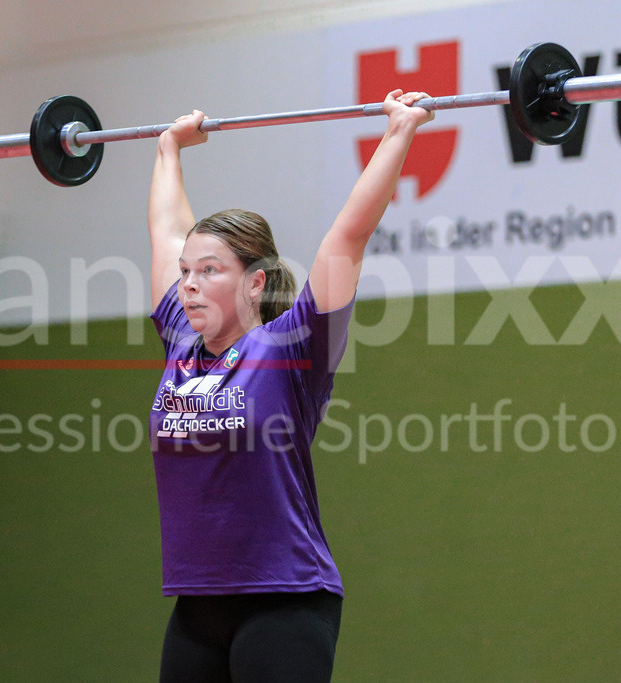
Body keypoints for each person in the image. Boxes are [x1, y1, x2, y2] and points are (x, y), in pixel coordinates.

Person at [148, 90, 435, 682]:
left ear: (255, 284)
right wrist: (169, 149)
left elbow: (348, 236)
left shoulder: (293, 348)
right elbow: (166, 230)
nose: (189, 285)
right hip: (197, 606)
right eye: (185, 273)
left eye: (209, 271)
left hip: (286, 599)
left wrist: (400, 130)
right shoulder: (180, 343)